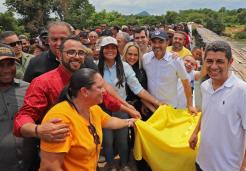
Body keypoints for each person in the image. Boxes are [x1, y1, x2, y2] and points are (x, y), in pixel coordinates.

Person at [39, 68, 136, 171]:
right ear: (84, 91)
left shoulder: (93, 108)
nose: (104, 91)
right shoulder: (61, 119)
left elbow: (109, 121)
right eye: (100, 87)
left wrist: (130, 122)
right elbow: (50, 167)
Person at [189, 41, 246, 171]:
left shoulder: (243, 91)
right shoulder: (205, 86)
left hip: (228, 166)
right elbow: (207, 112)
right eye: (209, 61)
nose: (214, 66)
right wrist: (195, 132)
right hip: (202, 162)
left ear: (230, 62)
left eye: (220, 61)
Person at [98, 36, 161, 171]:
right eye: (107, 48)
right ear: (102, 50)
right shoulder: (95, 66)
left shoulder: (124, 66)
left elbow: (137, 88)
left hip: (122, 109)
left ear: (117, 49)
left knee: (123, 139)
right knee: (107, 141)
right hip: (102, 110)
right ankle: (111, 164)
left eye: (113, 47)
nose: (110, 50)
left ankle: (125, 164)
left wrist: (157, 103)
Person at [0, 43, 36, 171]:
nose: (6, 70)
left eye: (10, 64)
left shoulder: (29, 88)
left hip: (30, 163)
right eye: (0, 65)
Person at [23, 21, 97, 83]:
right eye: (54, 39)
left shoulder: (86, 61)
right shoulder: (35, 63)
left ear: (71, 38)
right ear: (48, 41)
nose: (59, 44)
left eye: (63, 39)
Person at [143, 30, 197, 114]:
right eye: (154, 42)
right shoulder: (145, 58)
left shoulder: (176, 61)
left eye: (161, 42)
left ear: (167, 42)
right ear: (150, 43)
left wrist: (190, 105)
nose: (157, 45)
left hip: (170, 108)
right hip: (151, 107)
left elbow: (186, 83)